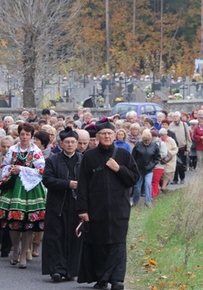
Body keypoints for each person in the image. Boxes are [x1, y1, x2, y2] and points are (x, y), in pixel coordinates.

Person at [76, 118, 140, 290]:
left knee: (118, 243)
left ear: (114, 135)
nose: (106, 136)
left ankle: (117, 279)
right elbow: (82, 185)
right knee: (100, 243)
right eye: (103, 134)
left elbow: (134, 178)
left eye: (109, 133)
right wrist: (82, 209)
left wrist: (119, 169)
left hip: (119, 208)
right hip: (96, 208)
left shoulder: (123, 155)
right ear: (96, 137)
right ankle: (102, 279)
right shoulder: (89, 156)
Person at [0, 123, 46, 269]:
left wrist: (22, 169)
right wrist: (10, 169)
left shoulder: (36, 151)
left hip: (29, 188)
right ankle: (15, 250)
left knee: (28, 222)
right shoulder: (13, 149)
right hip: (13, 188)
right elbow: (3, 166)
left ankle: (24, 253)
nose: (24, 137)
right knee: (13, 221)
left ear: (31, 136)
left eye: (27, 134)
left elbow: (41, 169)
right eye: (22, 134)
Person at [41, 127, 82, 283]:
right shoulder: (53, 160)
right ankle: (56, 270)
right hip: (57, 204)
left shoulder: (82, 160)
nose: (70, 145)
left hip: (77, 204)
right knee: (56, 237)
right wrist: (67, 184)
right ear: (61, 143)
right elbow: (47, 180)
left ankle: (71, 270)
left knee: (74, 237)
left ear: (77, 144)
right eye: (67, 142)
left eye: (73, 142)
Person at [131, 130, 161, 207]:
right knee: (137, 187)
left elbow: (157, 157)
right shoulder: (138, 145)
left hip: (149, 169)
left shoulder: (154, 145)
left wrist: (152, 165)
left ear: (151, 139)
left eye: (148, 140)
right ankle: (135, 201)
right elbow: (133, 157)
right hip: (139, 169)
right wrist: (135, 167)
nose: (147, 142)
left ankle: (148, 201)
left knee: (148, 184)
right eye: (145, 141)